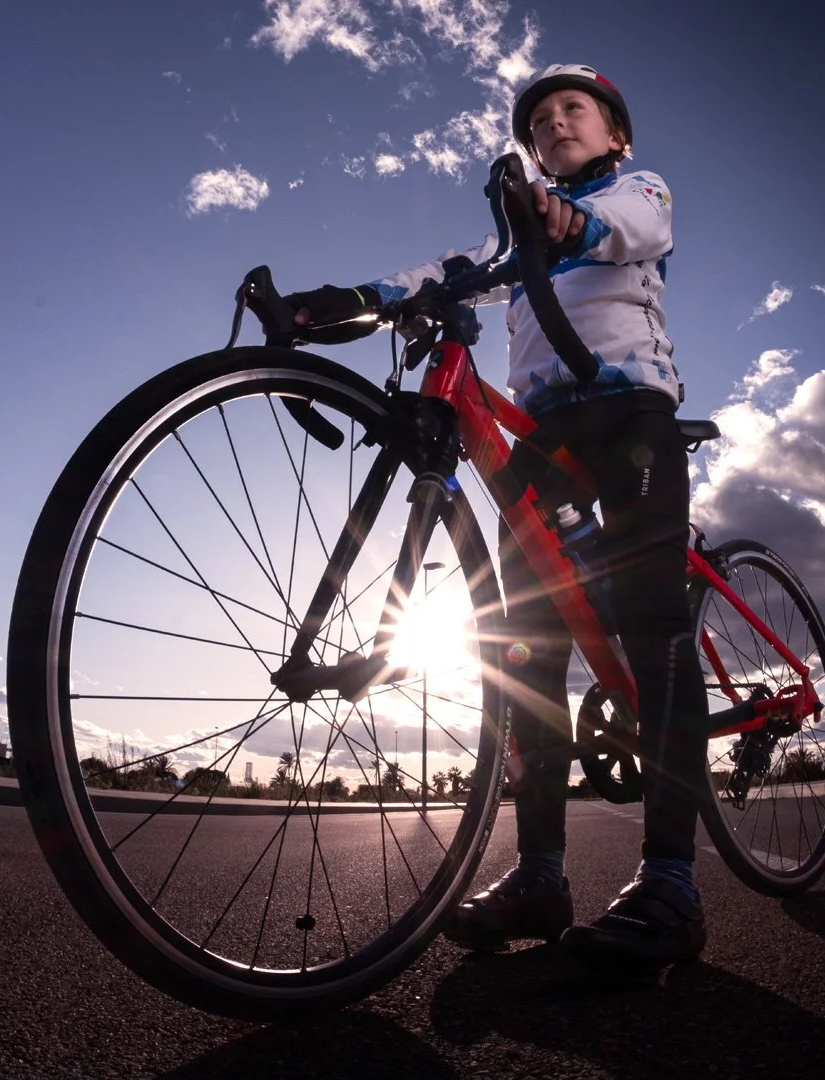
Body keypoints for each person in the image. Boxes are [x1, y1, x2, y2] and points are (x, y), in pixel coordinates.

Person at [282, 64, 710, 967]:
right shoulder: (514, 232)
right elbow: (440, 273)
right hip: (547, 439)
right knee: (526, 649)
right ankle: (540, 875)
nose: (554, 122)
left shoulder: (636, 188)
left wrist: (565, 219)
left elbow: (635, 225)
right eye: (539, 118)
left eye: (573, 110)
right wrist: (348, 303)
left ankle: (672, 883)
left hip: (631, 417)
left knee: (652, 621)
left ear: (613, 134)